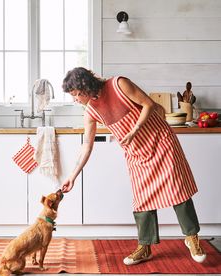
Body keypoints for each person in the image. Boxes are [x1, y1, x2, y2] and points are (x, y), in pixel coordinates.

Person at [61, 67, 206, 265]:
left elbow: (149, 104)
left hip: (160, 141)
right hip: (136, 153)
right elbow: (87, 146)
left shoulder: (119, 84)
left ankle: (192, 238)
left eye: (77, 94)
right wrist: (72, 176)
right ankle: (145, 247)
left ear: (87, 86)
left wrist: (135, 130)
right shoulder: (90, 111)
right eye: (73, 96)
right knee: (142, 198)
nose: (75, 99)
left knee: (178, 189)